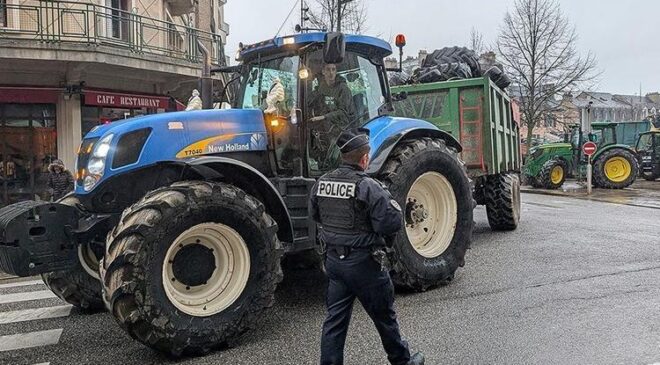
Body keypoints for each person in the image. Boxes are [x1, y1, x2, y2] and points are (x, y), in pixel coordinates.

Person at [309, 128, 425, 365]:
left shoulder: (322, 183)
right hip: (365, 265)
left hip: (334, 263)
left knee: (334, 321)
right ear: (364, 159)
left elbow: (315, 215)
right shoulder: (367, 186)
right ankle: (402, 361)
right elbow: (391, 222)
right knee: (384, 317)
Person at [308, 63, 356, 169]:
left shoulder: (343, 89)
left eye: (333, 70)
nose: (331, 73)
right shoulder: (320, 89)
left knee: (334, 152)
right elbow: (311, 103)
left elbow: (344, 113)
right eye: (328, 70)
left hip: (341, 127)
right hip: (323, 127)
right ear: (323, 72)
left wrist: (324, 117)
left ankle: (334, 168)